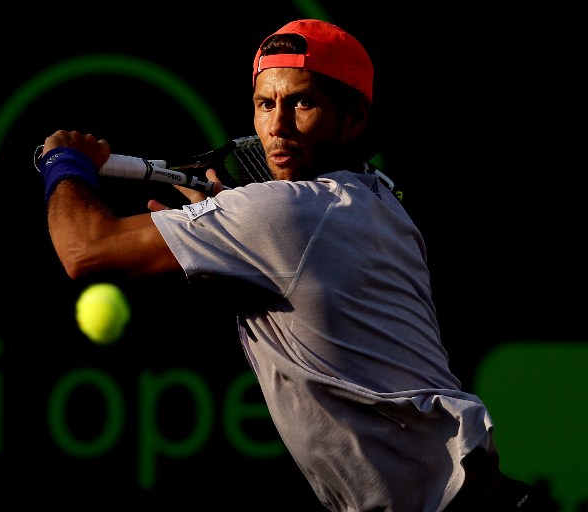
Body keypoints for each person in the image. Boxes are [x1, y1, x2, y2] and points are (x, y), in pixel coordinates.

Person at [37, 19, 548, 511]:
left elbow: (84, 250)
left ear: (353, 118)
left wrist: (64, 162)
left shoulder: (282, 214)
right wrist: (218, 223)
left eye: (303, 102)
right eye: (265, 104)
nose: (276, 127)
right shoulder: (377, 201)